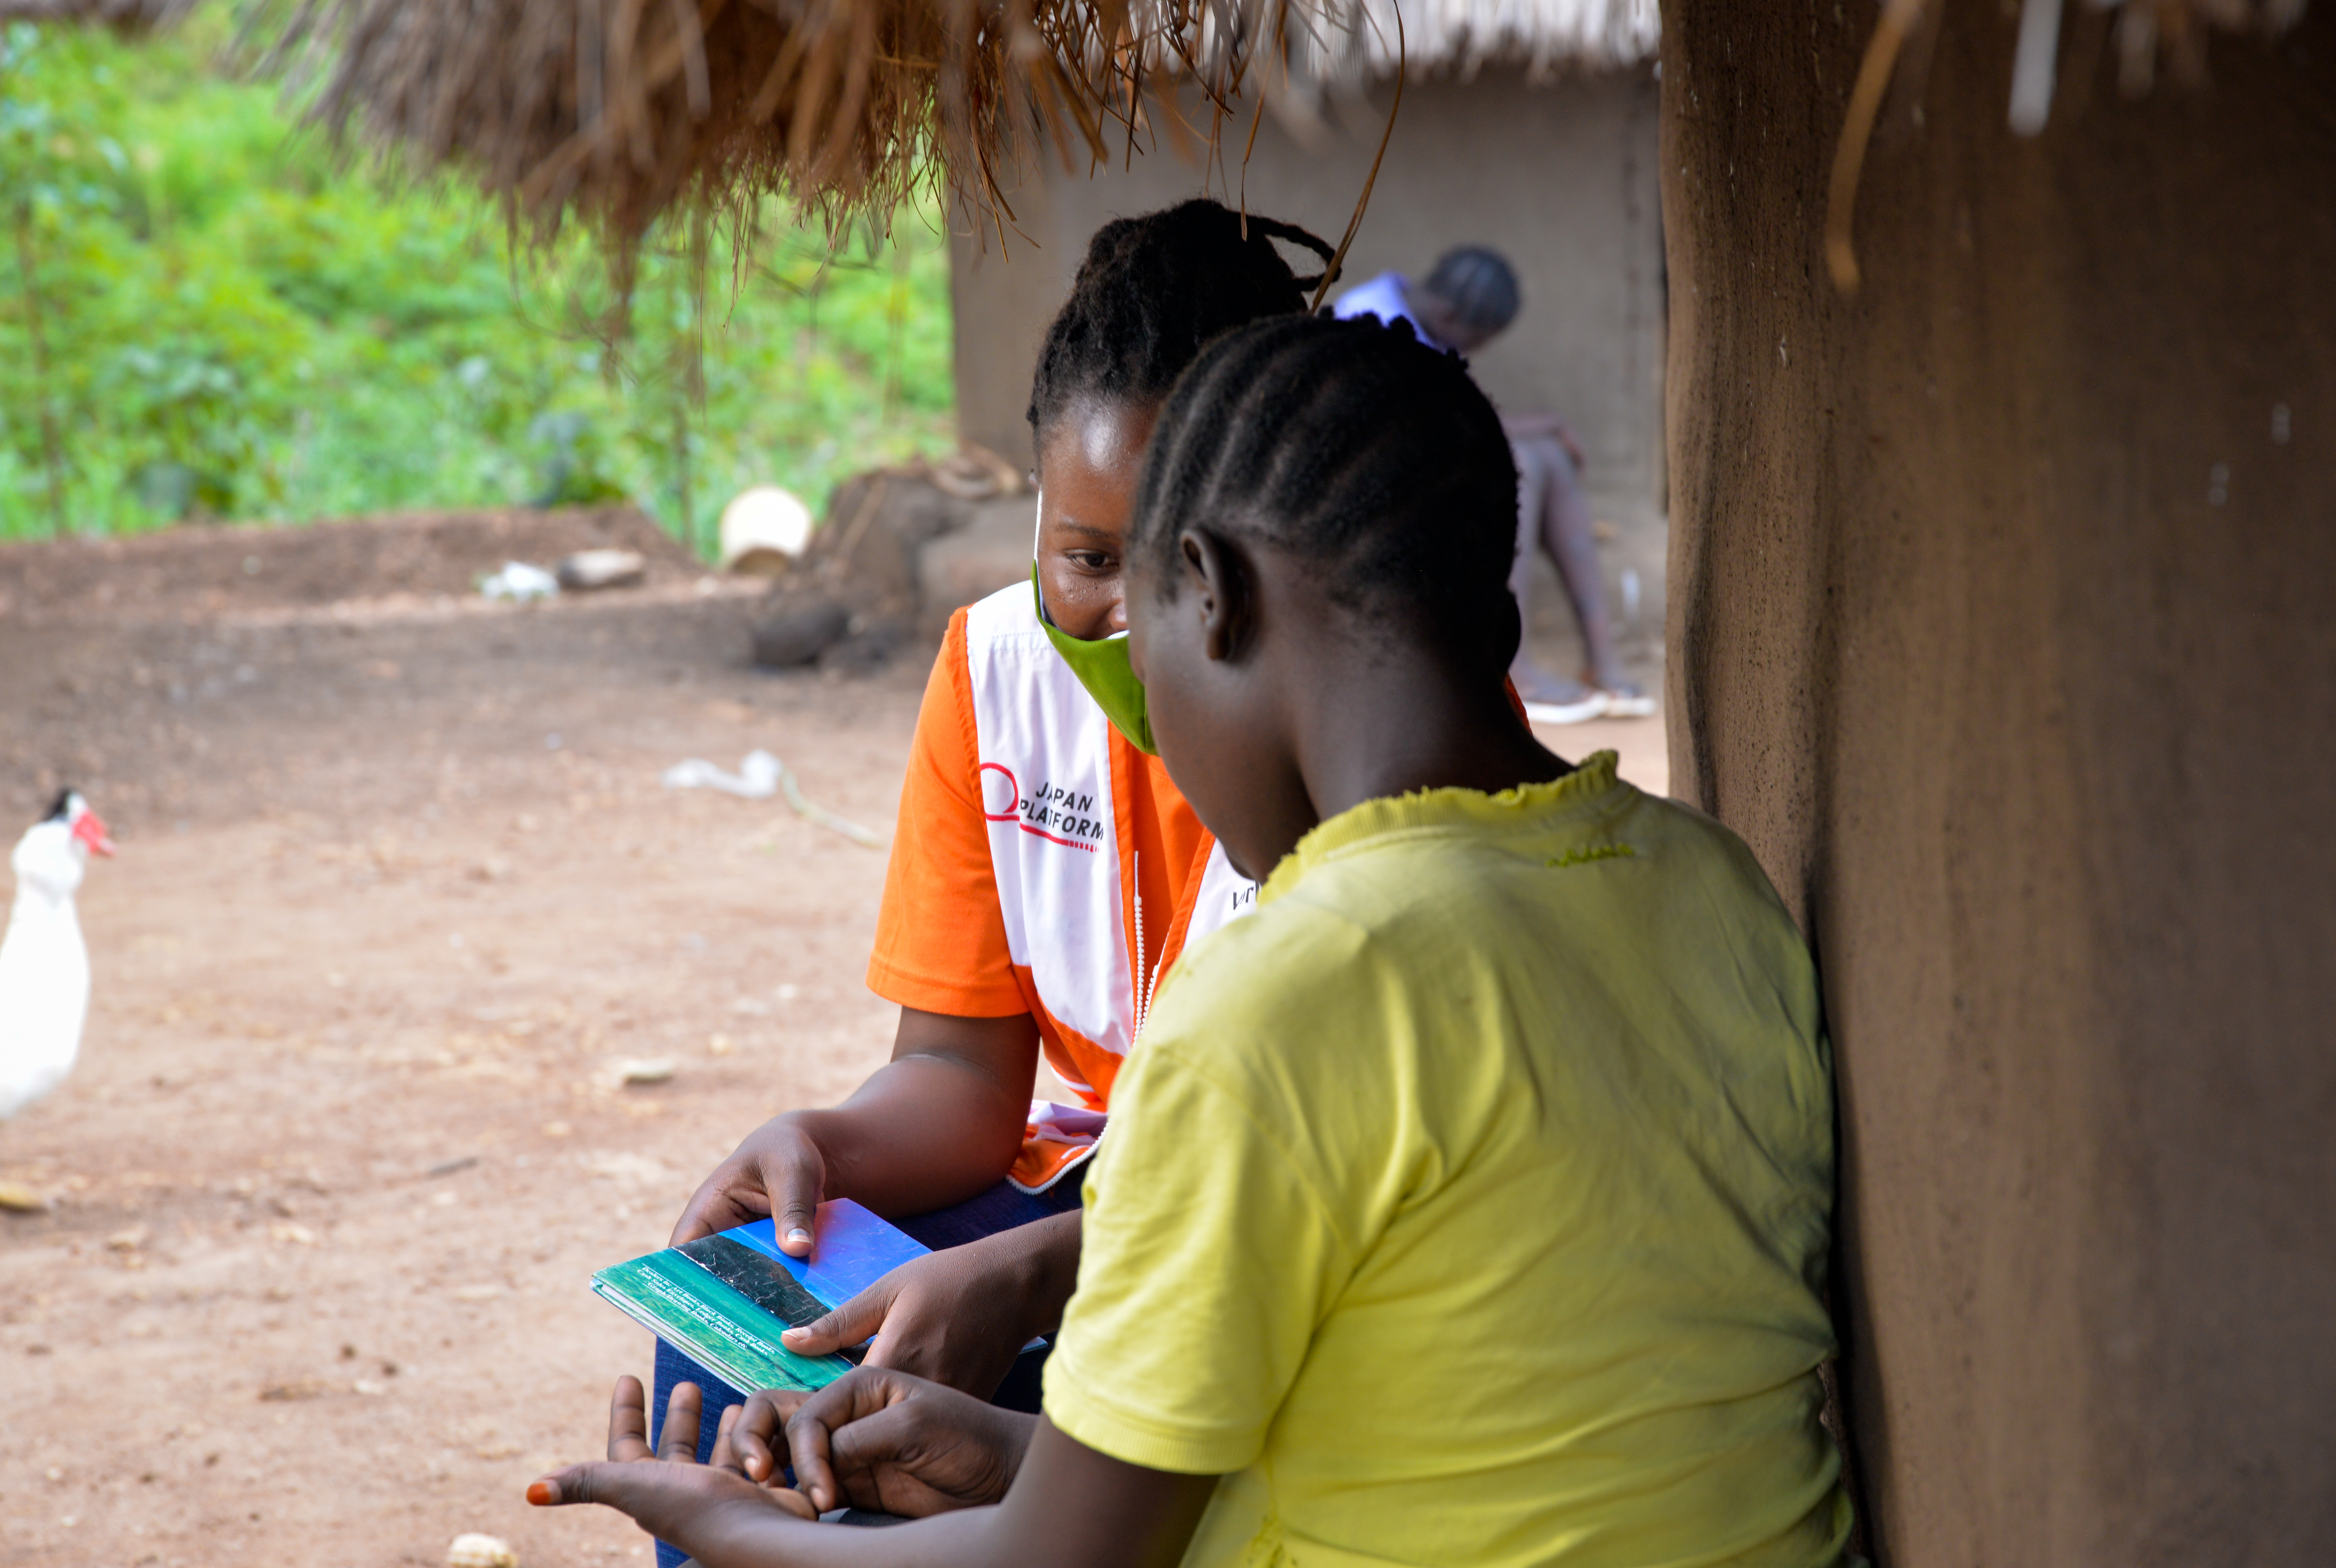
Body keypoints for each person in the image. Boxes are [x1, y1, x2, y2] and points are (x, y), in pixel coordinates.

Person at [530, 313, 1854, 1568]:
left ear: (1206, 594)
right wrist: (1013, 1455)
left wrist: (734, 1533)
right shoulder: (1710, 886)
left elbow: (1056, 1562)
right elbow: (1479, 1410)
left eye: (1141, 648)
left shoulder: (1289, 1000)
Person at [643, 200, 1339, 1556]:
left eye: (1178, 564)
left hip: (1261, 1224)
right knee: (745, 1358)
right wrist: (822, 1147)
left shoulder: (1370, 705)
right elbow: (966, 1076)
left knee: (986, 1413)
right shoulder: (997, 672)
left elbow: (1323, 1176)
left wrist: (1033, 1272)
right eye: (1085, 559)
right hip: (1078, 1186)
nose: (1132, 624)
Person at [1333, 246, 1656, 722]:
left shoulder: (1412, 305)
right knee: (1520, 462)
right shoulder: (1375, 316)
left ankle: (1603, 660)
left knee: (1550, 458)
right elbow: (1423, 428)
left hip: (1417, 469)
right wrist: (1538, 423)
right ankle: (1515, 665)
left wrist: (1544, 429)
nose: (1471, 354)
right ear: (1450, 314)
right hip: (1369, 493)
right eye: (1474, 341)